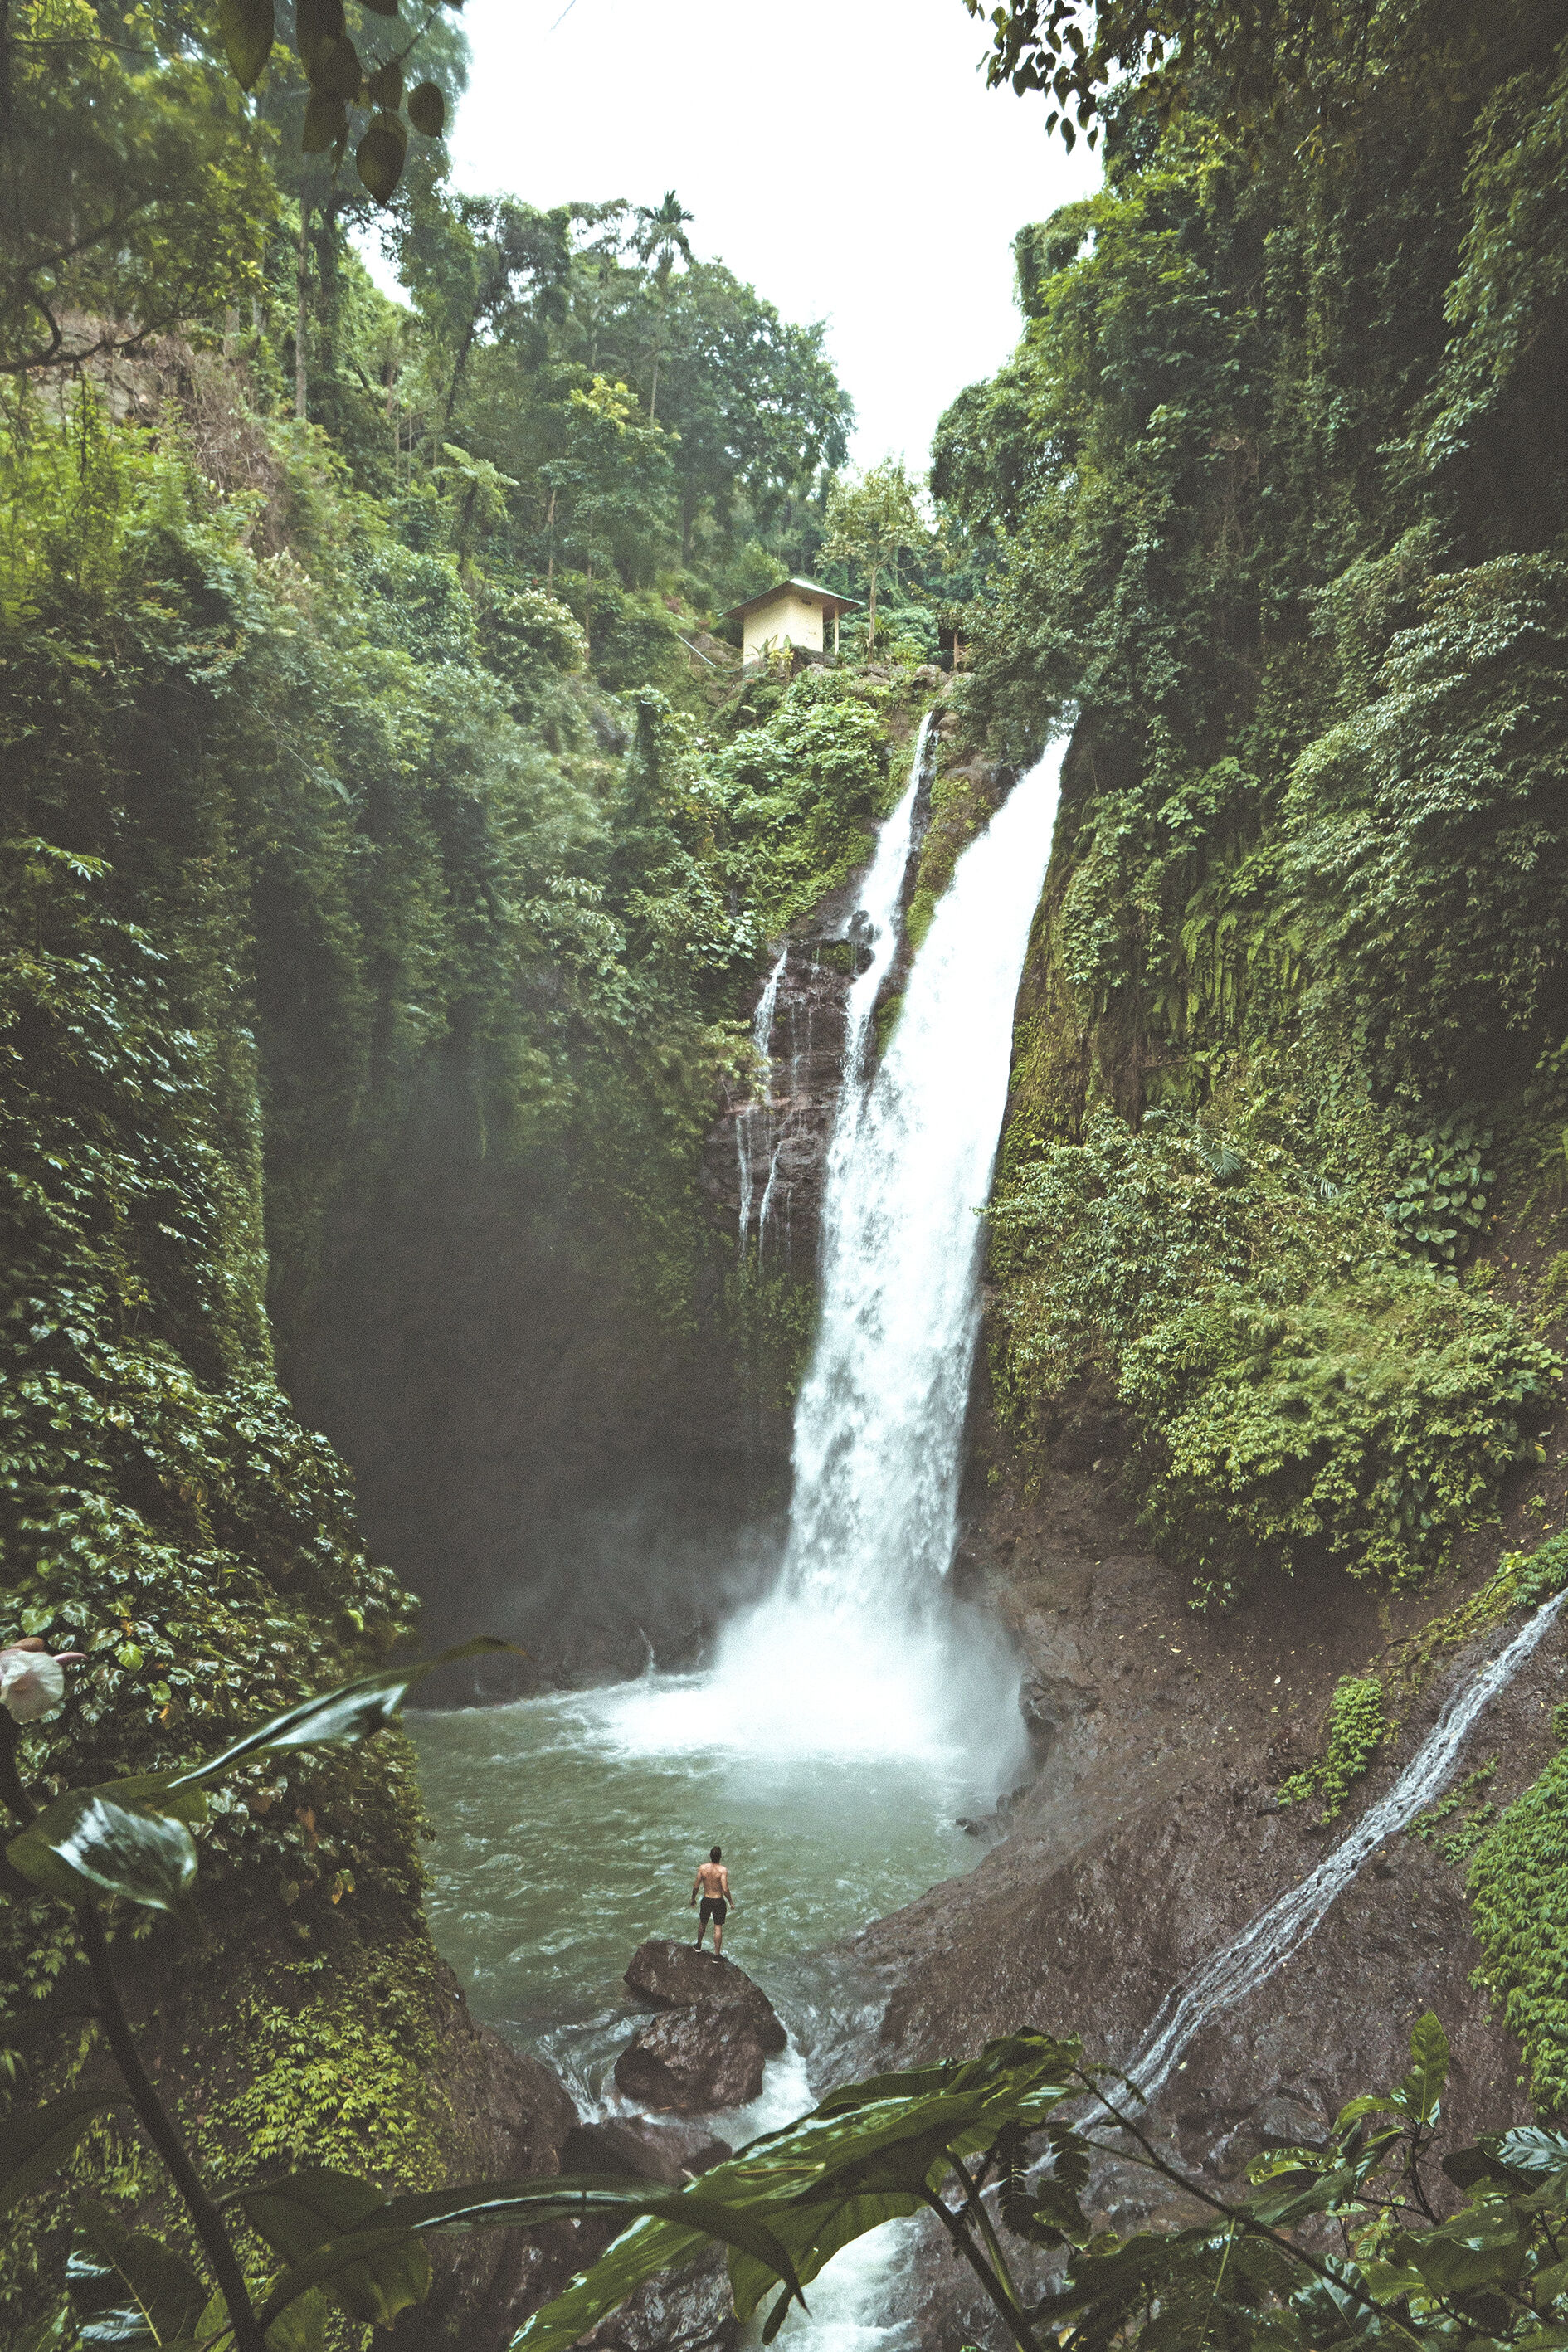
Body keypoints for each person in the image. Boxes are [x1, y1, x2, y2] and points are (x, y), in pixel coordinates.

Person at [689, 1844, 737, 1954]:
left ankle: (698, 1945)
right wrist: (731, 1902)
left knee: (703, 1922)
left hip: (706, 1899)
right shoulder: (722, 1870)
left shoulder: (702, 1868)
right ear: (720, 1857)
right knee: (718, 1927)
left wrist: (693, 1898)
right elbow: (725, 1889)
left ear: (710, 1856)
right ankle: (716, 1954)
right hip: (718, 1900)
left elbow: (696, 1885)